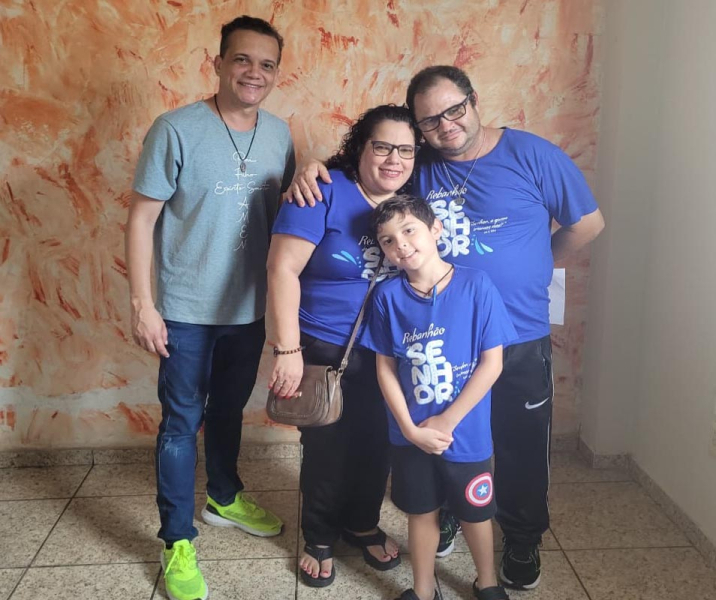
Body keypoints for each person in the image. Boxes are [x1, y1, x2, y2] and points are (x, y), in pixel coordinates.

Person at [287, 65, 605, 591]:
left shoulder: (534, 154)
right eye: (429, 121)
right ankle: (452, 512)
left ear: (474, 100)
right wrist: (313, 168)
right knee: (441, 434)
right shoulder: (422, 164)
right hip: (440, 336)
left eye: (454, 110)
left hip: (519, 330)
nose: (445, 125)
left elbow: (587, 224)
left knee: (520, 442)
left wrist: (535, 266)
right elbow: (371, 170)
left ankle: (522, 537)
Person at [125, 15, 295, 600]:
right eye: (242, 59)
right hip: (185, 311)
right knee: (181, 423)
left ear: (276, 73)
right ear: (218, 63)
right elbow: (141, 219)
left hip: (249, 309)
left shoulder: (280, 135)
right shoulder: (175, 129)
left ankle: (223, 496)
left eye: (266, 64)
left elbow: (287, 212)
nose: (254, 73)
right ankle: (177, 539)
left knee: (228, 410)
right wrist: (143, 304)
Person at [266, 105, 421, 588]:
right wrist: (287, 349)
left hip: (391, 349)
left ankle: (362, 523)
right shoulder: (321, 191)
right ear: (360, 148)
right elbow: (281, 269)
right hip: (325, 345)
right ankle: (319, 536)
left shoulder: (415, 201)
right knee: (326, 446)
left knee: (378, 443)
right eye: (382, 146)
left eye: (405, 150)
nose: (394, 159)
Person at [366, 195, 515, 600]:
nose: (400, 245)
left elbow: (492, 364)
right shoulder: (386, 297)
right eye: (387, 240)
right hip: (411, 436)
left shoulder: (476, 285)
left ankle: (487, 582)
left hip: (466, 434)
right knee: (420, 510)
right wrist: (410, 430)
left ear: (436, 229)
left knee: (475, 512)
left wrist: (447, 422)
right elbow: (385, 369)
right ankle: (423, 589)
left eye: (409, 230)